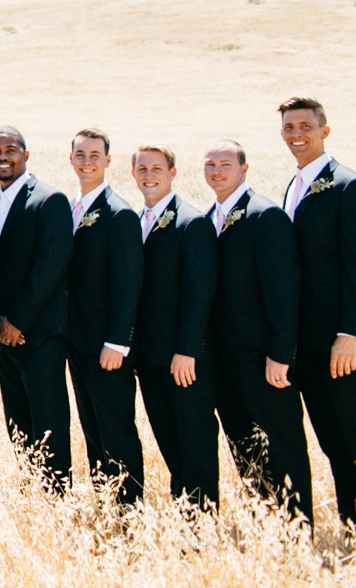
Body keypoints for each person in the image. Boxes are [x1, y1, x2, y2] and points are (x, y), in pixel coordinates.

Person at [278, 97, 356, 532]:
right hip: (307, 342)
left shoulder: (351, 187)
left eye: (305, 126)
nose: (297, 134)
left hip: (343, 341)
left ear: (324, 131)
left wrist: (350, 334)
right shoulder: (294, 185)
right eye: (289, 127)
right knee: (333, 439)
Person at [205, 139, 310, 521]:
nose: (217, 171)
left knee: (282, 445)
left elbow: (284, 292)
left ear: (244, 169)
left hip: (264, 362)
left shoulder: (265, 216)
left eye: (225, 164)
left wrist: (281, 355)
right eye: (211, 164)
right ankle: (265, 523)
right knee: (244, 446)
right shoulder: (209, 217)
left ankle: (296, 529)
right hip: (225, 364)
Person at [129, 144, 219, 512]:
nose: (149, 175)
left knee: (195, 440)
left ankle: (202, 518)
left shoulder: (191, 222)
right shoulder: (135, 220)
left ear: (172, 173)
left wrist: (188, 350)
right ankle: (183, 513)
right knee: (168, 438)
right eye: (142, 169)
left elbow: (200, 294)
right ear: (133, 174)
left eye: (157, 168)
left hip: (184, 359)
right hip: (149, 358)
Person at [0, 126, 72, 491]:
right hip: (3, 336)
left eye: (10, 149)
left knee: (49, 422)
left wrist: (19, 321)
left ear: (25, 154)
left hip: (40, 334)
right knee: (17, 422)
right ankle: (32, 493)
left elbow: (50, 267)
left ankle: (57, 497)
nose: (3, 156)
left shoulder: (49, 200)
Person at [63, 127, 144, 505]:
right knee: (92, 427)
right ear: (71, 159)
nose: (87, 161)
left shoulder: (119, 213)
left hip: (106, 346)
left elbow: (128, 283)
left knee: (116, 428)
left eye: (95, 155)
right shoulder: (72, 207)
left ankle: (130, 508)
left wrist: (117, 341)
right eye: (80, 155)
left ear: (108, 161)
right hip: (78, 341)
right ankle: (105, 501)